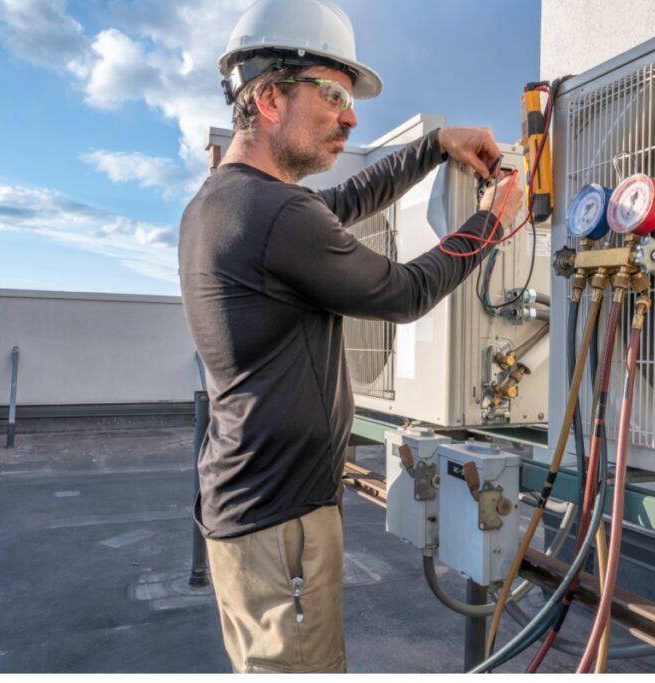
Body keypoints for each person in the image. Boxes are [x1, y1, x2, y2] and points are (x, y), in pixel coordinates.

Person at [178, 0, 523, 673]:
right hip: (282, 526)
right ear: (271, 97)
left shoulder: (224, 202)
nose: (351, 115)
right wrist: (490, 222)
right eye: (334, 94)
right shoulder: (274, 215)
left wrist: (434, 146)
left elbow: (345, 204)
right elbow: (402, 291)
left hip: (248, 509)